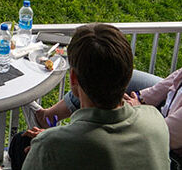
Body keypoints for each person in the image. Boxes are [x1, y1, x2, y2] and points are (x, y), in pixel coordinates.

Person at [17, 23, 170, 170]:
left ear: (74, 78)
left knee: (20, 145)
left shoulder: (50, 147)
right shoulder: (156, 121)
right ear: (129, 74)